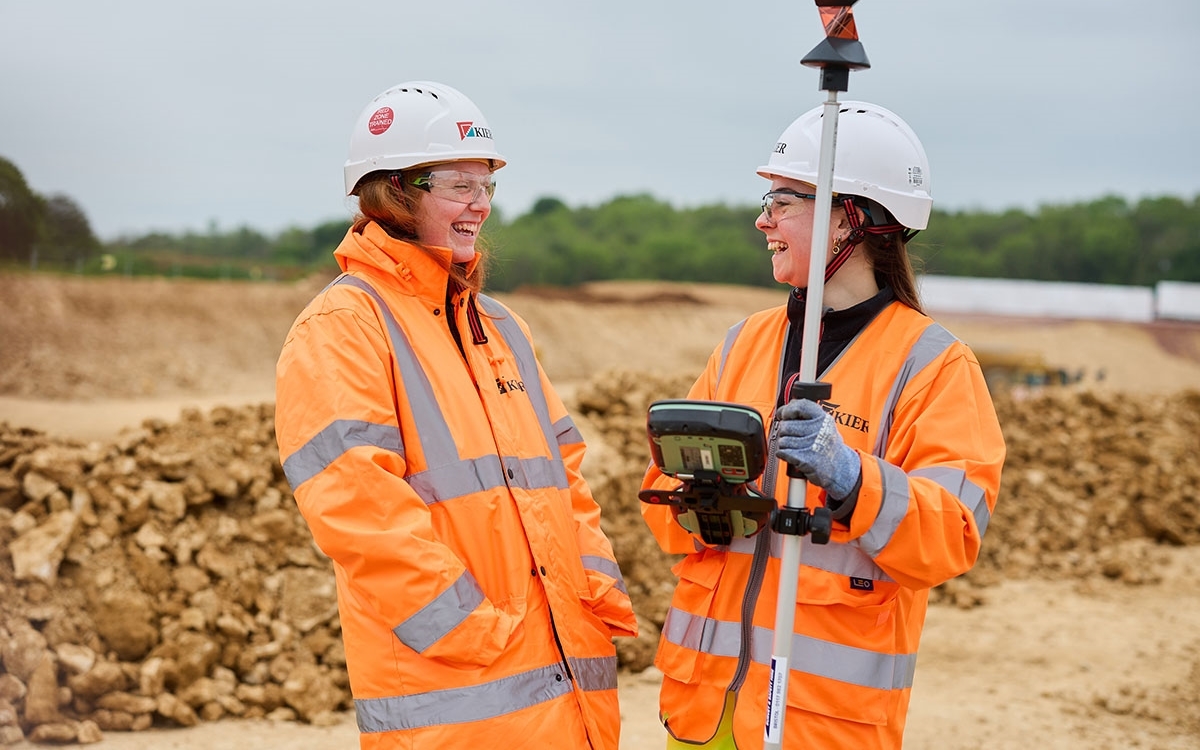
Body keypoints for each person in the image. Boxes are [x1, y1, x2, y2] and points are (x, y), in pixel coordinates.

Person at [275, 81, 637, 750]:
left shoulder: (500, 328)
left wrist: (592, 587)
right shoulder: (344, 326)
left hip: (568, 699)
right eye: (459, 185)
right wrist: (465, 630)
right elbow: (359, 511)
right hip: (459, 707)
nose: (481, 205)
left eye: (487, 186)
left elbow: (564, 482)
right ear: (396, 192)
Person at [639, 101, 1005, 749]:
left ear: (850, 219)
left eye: (784, 200)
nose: (763, 219)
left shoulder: (932, 366)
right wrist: (700, 502)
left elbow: (952, 535)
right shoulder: (743, 343)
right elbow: (667, 518)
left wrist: (851, 477)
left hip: (820, 721)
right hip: (707, 711)